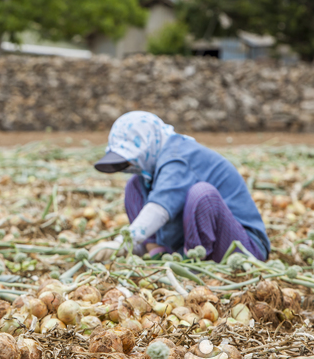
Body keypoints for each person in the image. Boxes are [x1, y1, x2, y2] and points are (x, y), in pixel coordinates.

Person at [91, 111, 269, 262]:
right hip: (187, 244)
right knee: (135, 186)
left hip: (243, 247)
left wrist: (123, 241)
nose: (128, 165)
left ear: (148, 145)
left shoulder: (177, 157)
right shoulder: (156, 165)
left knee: (203, 196)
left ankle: (193, 264)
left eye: (130, 158)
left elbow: (159, 208)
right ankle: (157, 254)